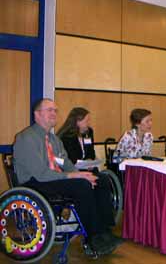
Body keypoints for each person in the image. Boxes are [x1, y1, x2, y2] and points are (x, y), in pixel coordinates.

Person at [13, 98, 123, 257]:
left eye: (55, 110)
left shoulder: (54, 140)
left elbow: (65, 163)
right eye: (49, 110)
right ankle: (94, 237)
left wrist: (84, 174)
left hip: (54, 179)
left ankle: (105, 231)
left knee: (100, 180)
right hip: (35, 183)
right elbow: (41, 174)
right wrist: (74, 176)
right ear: (37, 115)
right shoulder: (26, 138)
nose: (54, 113)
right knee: (81, 185)